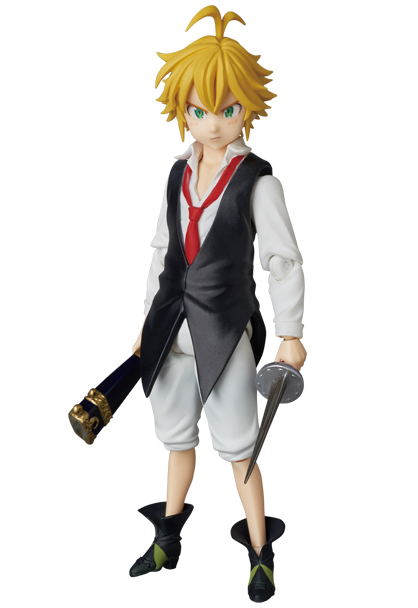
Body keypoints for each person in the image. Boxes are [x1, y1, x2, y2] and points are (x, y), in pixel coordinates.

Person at [129, 5, 307, 602]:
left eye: (226, 110)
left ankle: (260, 550)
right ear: (182, 110)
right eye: (198, 110)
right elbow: (162, 251)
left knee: (240, 449)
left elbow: (282, 260)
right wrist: (146, 321)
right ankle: (167, 538)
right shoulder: (176, 175)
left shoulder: (259, 181)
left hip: (226, 334)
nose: (211, 124)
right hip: (169, 331)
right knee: (175, 439)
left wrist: (290, 332)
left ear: (246, 109)